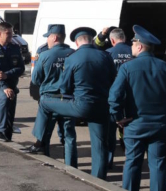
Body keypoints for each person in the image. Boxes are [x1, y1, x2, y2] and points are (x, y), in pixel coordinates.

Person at [109, 25, 166, 191]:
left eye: (133, 43)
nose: (131, 46)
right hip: (160, 126)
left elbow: (114, 97)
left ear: (140, 46)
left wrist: (117, 118)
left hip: (134, 125)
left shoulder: (127, 68)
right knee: (158, 166)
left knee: (132, 164)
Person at [39, 27, 116, 177]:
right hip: (101, 105)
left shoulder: (72, 58)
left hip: (80, 105)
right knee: (100, 144)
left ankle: (39, 140)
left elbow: (65, 87)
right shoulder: (105, 56)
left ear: (76, 42)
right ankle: (99, 178)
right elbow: (113, 79)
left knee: (44, 102)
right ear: (92, 40)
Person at [24, 25, 75, 162]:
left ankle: (47, 161)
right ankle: (71, 166)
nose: (47, 40)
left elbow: (35, 79)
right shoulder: (74, 54)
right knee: (69, 136)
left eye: (48, 37)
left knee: (45, 133)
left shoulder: (45, 55)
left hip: (50, 99)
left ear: (55, 37)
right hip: (69, 100)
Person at [106, 27, 132, 167]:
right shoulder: (133, 51)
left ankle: (109, 161)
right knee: (128, 128)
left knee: (110, 131)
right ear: (125, 38)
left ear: (112, 40)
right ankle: (130, 159)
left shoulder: (108, 53)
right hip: (131, 98)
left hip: (113, 97)